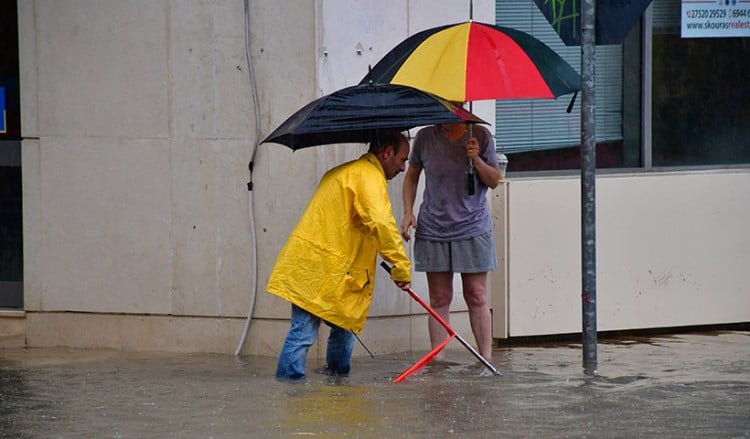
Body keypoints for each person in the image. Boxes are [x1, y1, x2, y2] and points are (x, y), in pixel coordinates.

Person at [268, 130, 412, 380]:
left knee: (327, 329)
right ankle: (329, 389)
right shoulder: (368, 177)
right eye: (402, 159)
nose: (403, 167)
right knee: (315, 332)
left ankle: (291, 397)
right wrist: (400, 267)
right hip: (326, 267)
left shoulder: (345, 172)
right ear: (387, 153)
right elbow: (381, 223)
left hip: (314, 266)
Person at [400, 123, 501, 362]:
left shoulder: (481, 135)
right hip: (434, 227)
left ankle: (485, 359)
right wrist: (407, 211)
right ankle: (439, 359)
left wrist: (476, 159)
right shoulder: (425, 137)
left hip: (472, 226)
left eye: (459, 102)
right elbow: (412, 176)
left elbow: (494, 180)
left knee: (476, 294)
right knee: (439, 298)